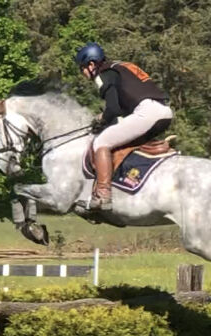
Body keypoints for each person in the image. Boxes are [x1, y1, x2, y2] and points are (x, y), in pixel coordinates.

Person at [74, 42, 173, 211]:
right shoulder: (121, 65)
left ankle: (103, 195)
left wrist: (101, 120)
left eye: (82, 68)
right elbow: (122, 108)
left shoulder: (103, 74)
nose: (83, 73)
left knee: (101, 143)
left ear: (92, 64)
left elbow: (113, 109)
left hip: (147, 112)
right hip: (164, 112)